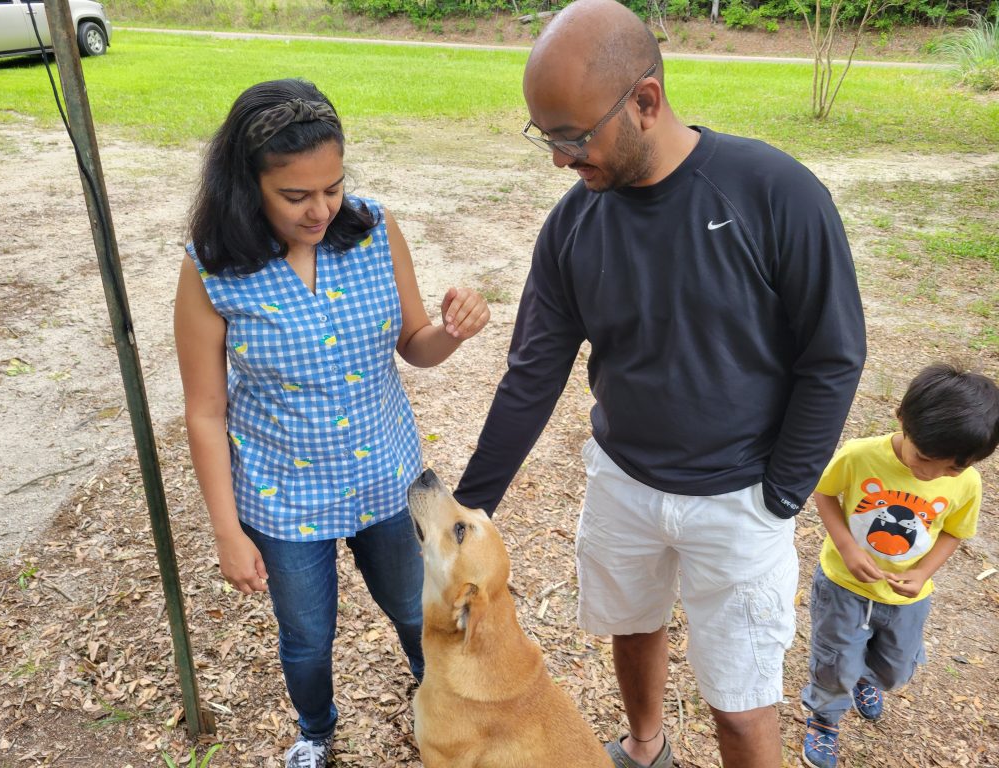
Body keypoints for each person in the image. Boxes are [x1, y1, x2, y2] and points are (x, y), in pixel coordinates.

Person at [451, 1, 867, 766]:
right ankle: (646, 749)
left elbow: (833, 355)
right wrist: (467, 509)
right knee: (633, 627)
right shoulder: (575, 223)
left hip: (740, 501)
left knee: (742, 715)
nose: (560, 162)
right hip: (623, 484)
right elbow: (532, 374)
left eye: (574, 139)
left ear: (645, 101)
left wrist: (781, 493)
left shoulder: (774, 192)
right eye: (546, 140)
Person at [173, 78, 489, 768]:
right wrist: (228, 531)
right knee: (309, 637)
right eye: (295, 196)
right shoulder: (213, 269)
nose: (320, 209)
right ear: (246, 185)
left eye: (332, 187)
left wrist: (452, 332)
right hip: (285, 499)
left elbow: (416, 344)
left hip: (386, 477)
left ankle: (442, 699)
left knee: (416, 610)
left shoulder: (373, 229)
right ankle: (315, 730)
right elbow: (204, 411)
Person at [801, 363, 999, 768]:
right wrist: (848, 548)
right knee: (836, 661)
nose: (931, 474)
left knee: (894, 671)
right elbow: (824, 494)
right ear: (901, 420)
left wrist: (924, 572)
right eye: (923, 457)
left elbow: (954, 532)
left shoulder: (966, 482)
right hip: (844, 584)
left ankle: (867, 680)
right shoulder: (860, 455)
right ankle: (824, 718)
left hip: (907, 597)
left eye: (952, 468)